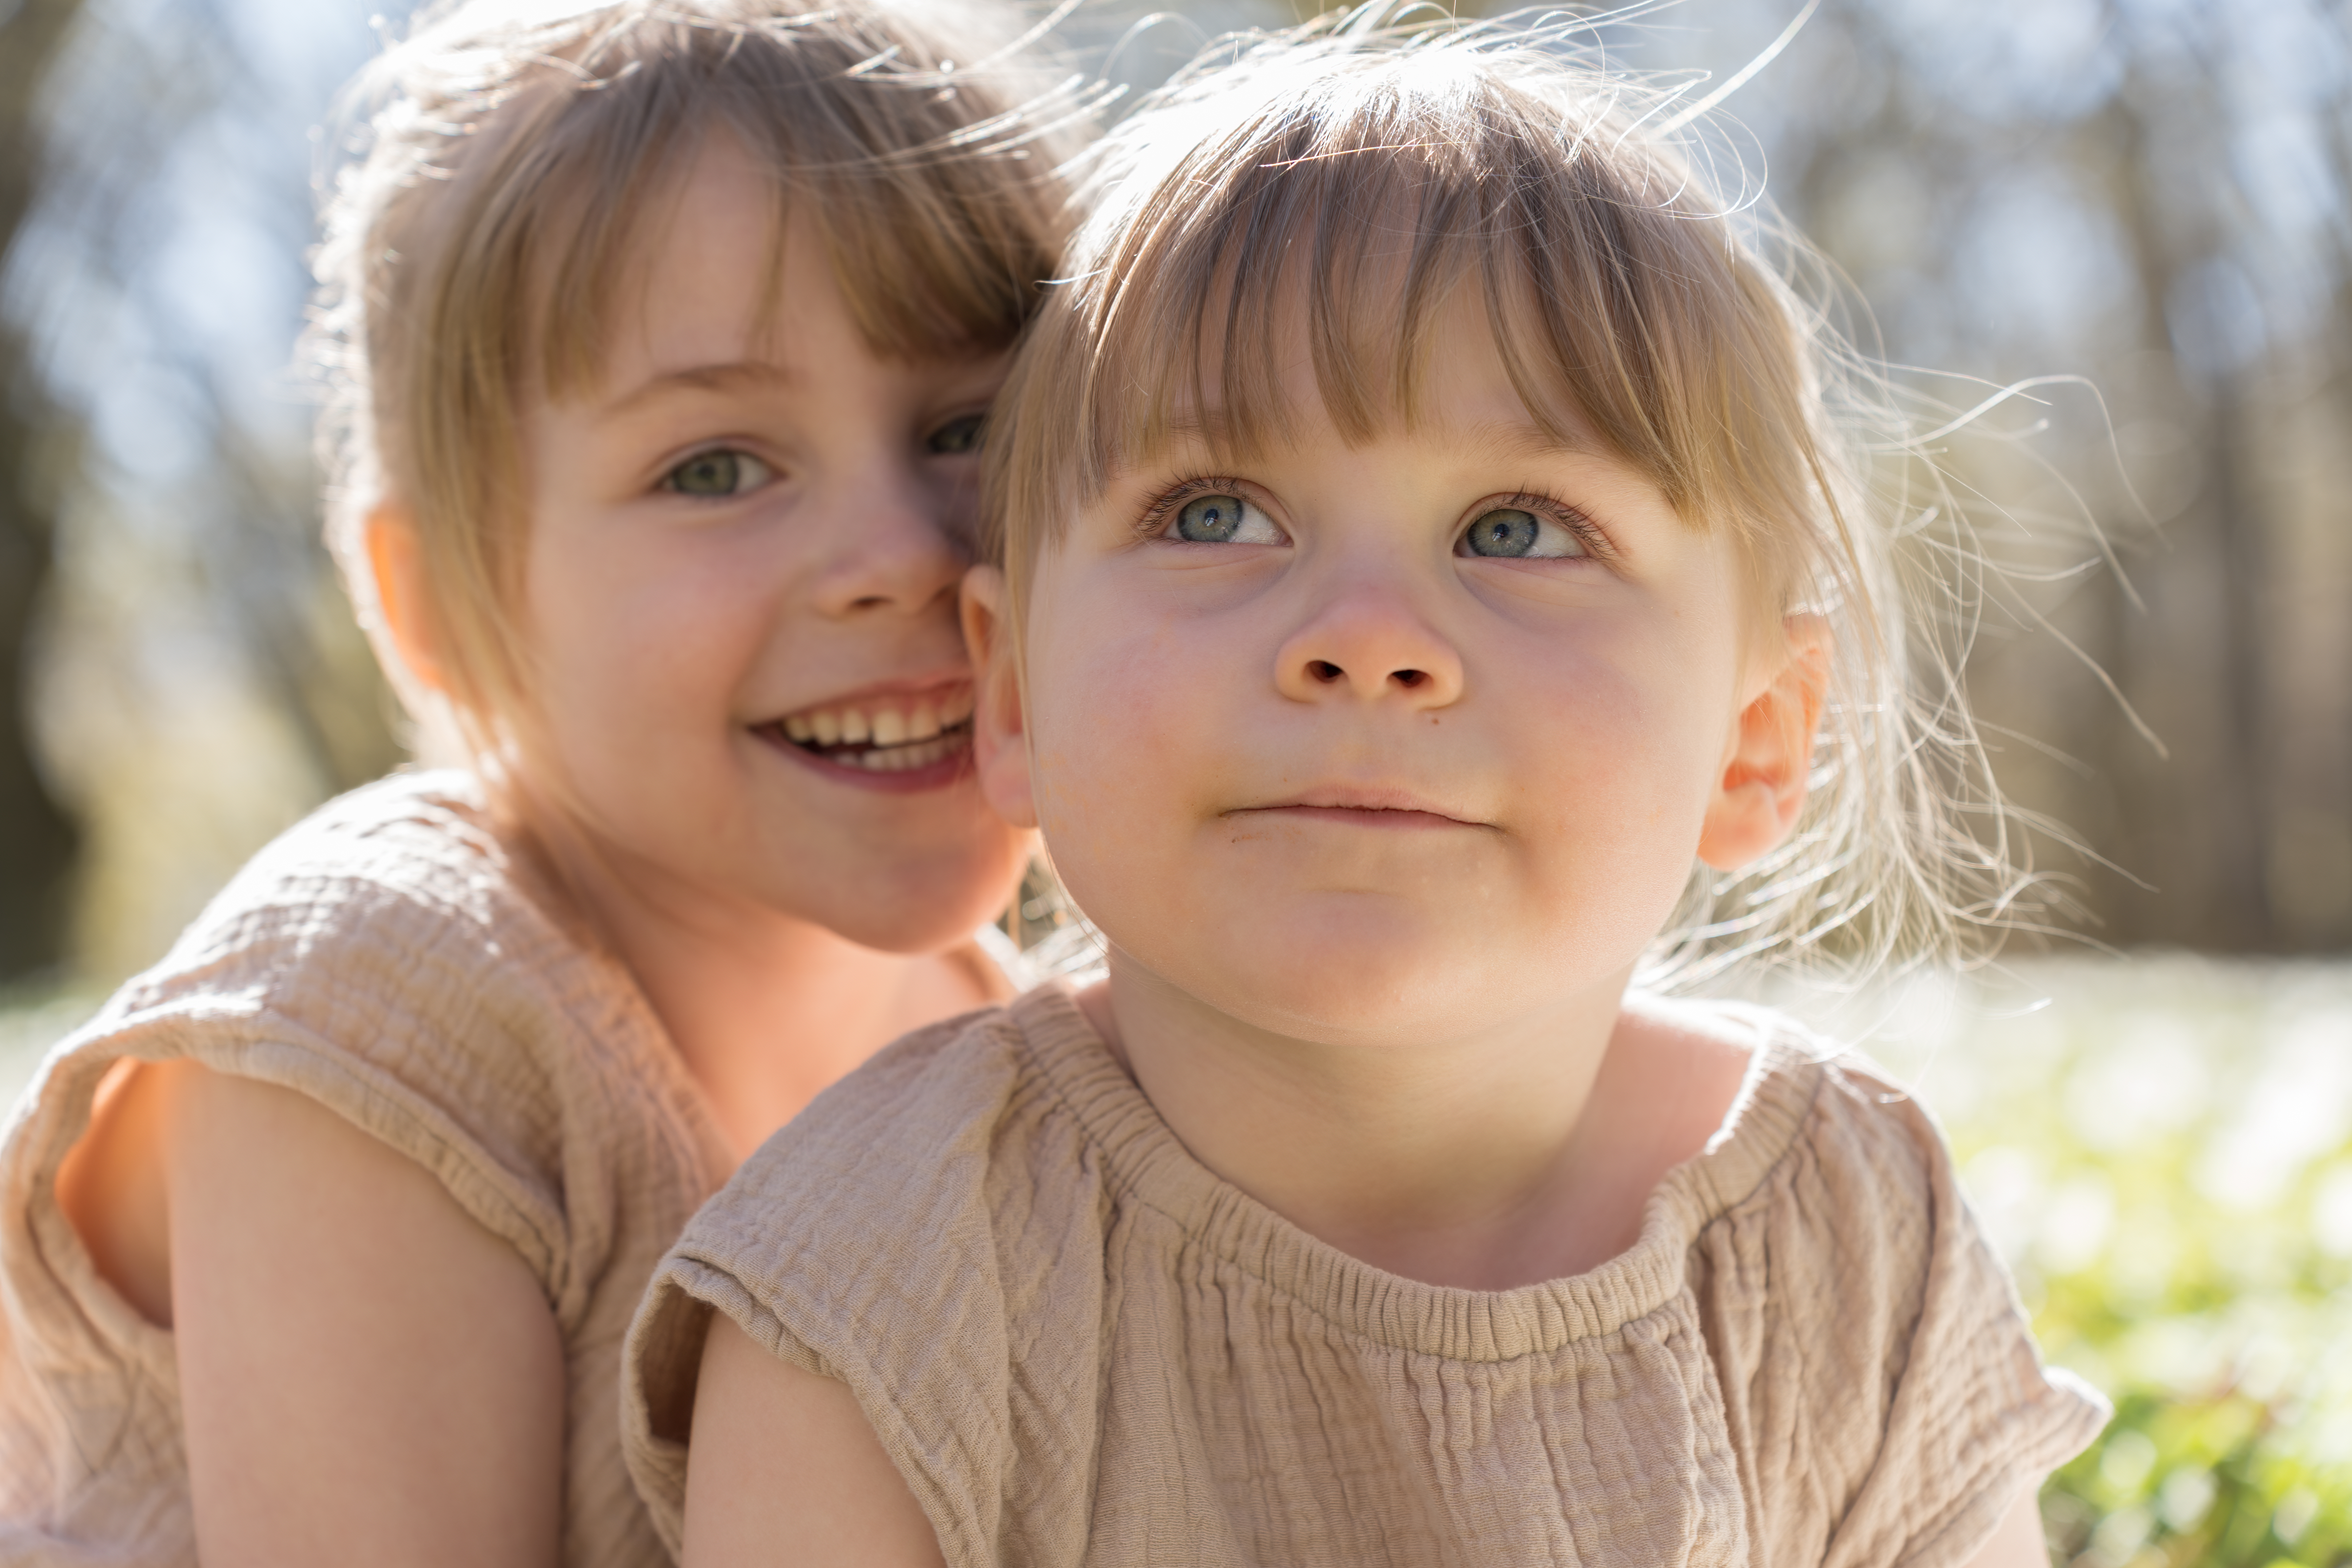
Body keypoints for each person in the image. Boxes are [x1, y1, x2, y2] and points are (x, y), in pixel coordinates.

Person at [625, 14, 2112, 1568]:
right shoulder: (886, 1274)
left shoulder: (1844, 1229)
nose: (1366, 642)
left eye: (1521, 530)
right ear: (1012, 693)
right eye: (1217, 511)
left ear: (1753, 738)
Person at [0, 2, 1080, 1563]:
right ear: (433, 597)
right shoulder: (387, 1008)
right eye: (713, 466)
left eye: (972, 427)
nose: (904, 557)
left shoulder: (1016, 1063)